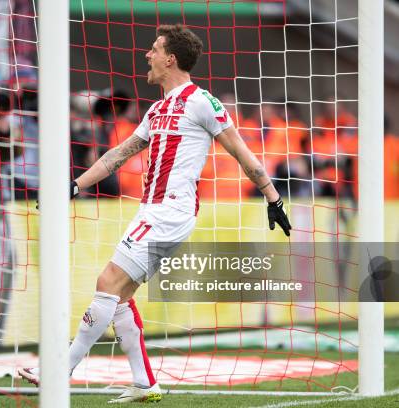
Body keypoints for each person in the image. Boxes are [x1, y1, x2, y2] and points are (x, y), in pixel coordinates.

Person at [19, 24, 291, 403]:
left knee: (107, 282)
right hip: (154, 209)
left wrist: (273, 198)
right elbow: (117, 156)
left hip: (170, 211)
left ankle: (57, 371)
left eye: (153, 49)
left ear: (171, 58)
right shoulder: (157, 109)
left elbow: (244, 155)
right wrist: (74, 186)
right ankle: (145, 383)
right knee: (121, 296)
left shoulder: (203, 103)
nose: (147, 55)